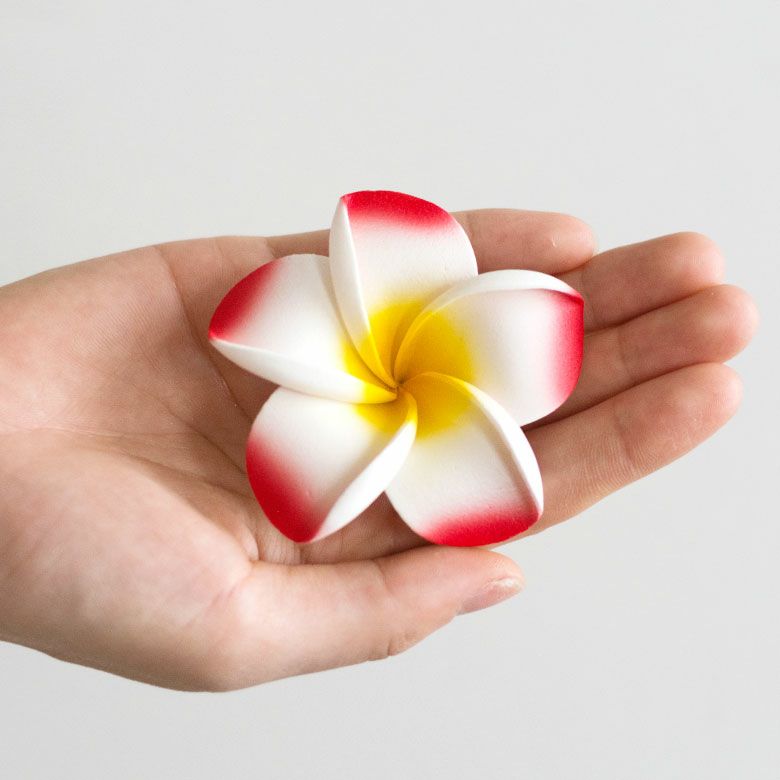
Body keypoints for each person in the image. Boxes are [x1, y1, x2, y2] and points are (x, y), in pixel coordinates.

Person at [0, 209, 757, 690]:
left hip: (425, 388)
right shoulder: (313, 363)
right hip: (369, 377)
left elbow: (536, 321)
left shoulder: (516, 333)